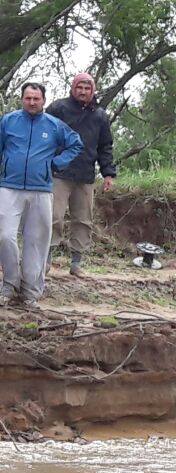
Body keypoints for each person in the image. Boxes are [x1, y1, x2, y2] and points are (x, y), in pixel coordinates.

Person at [0, 82, 83, 309]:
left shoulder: (54, 125)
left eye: (36, 98)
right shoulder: (8, 121)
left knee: (36, 241)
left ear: (43, 100)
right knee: (5, 236)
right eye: (28, 98)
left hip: (41, 189)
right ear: (22, 99)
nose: (32, 102)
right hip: (9, 187)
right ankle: (9, 285)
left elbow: (76, 144)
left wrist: (56, 163)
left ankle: (30, 293)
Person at [46, 72, 116, 276]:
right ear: (73, 88)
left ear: (93, 90)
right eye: (79, 87)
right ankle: (46, 259)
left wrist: (108, 174)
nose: (83, 91)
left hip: (85, 175)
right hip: (59, 173)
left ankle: (76, 263)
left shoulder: (100, 115)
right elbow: (45, 136)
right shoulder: (58, 108)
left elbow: (105, 146)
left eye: (87, 88)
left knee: (83, 220)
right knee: (53, 217)